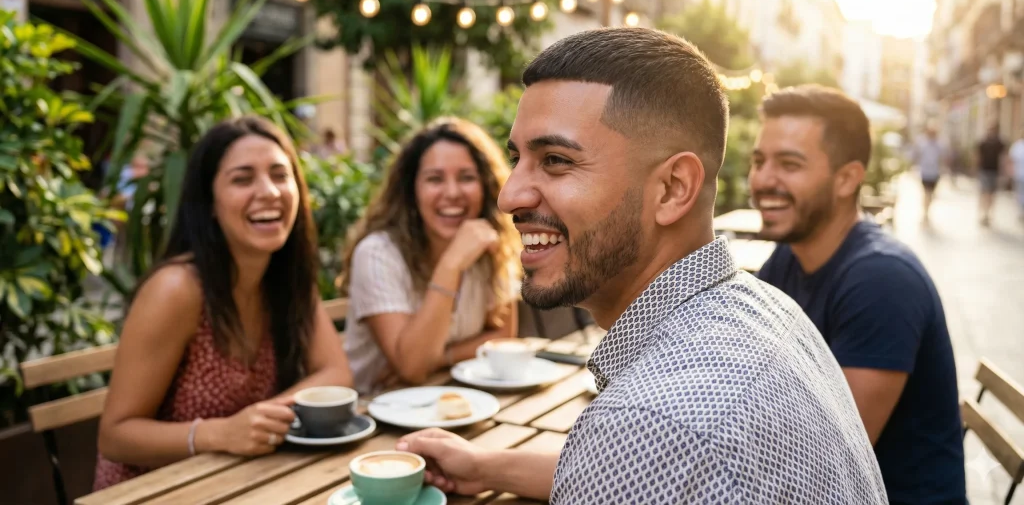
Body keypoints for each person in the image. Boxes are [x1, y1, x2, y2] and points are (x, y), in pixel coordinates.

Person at [396, 29, 886, 503]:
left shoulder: (648, 422)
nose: (509, 196)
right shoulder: (764, 308)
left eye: (556, 160)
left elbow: (652, 444)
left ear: (673, 189)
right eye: (517, 158)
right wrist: (483, 467)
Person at [94, 117, 353, 489]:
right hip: (154, 492)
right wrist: (221, 433)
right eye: (242, 179)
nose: (269, 192)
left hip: (241, 483)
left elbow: (336, 373)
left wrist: (261, 421)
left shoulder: (284, 276)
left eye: (280, 175)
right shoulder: (177, 289)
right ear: (210, 204)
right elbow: (116, 436)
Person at [749, 85, 965, 504]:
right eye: (759, 161)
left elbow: (824, 462)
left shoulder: (882, 281)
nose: (762, 180)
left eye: (789, 164)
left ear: (847, 178)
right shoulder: (789, 258)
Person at [340, 117, 520, 394]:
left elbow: (503, 336)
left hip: (451, 398)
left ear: (485, 186)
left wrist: (439, 359)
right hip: (375, 414)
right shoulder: (378, 254)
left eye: (466, 178)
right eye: (434, 179)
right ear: (412, 191)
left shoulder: (490, 242)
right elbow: (412, 368)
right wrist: (452, 264)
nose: (452, 192)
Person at [910, 126, 946, 222]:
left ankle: (927, 209)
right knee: (926, 192)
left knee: (931, 193)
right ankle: (925, 212)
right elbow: (916, 154)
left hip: (935, 172)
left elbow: (943, 157)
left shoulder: (939, 144)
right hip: (925, 172)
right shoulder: (922, 143)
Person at [977, 125, 1006, 226]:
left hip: (994, 171)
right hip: (984, 170)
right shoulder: (983, 142)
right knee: (985, 192)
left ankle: (989, 214)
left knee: (991, 194)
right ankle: (983, 214)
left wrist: (1003, 171)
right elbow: (978, 156)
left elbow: (1003, 157)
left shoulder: (999, 143)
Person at [1008, 135, 1024, 222]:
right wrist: (1011, 172)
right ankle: (1021, 212)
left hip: (1019, 174)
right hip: (1019, 174)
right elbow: (1011, 160)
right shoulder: (1017, 146)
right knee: (1019, 194)